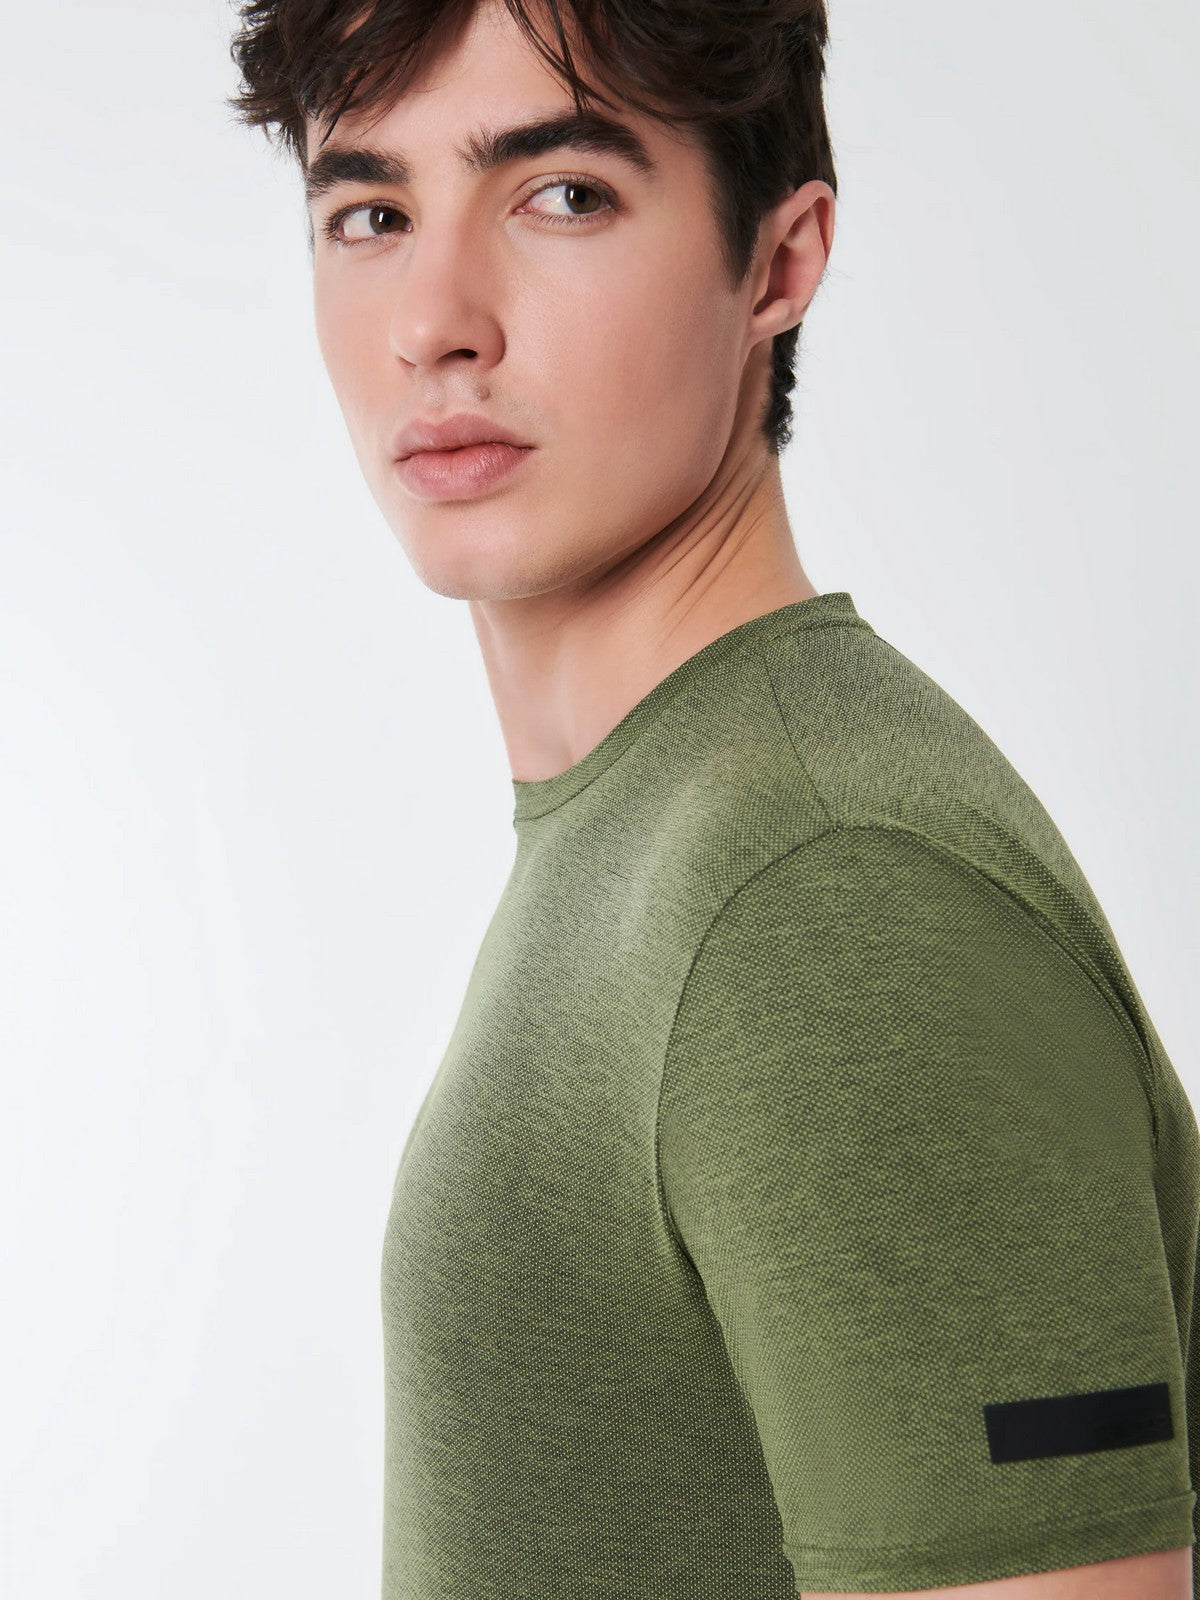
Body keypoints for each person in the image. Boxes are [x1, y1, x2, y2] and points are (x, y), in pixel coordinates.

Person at [225, 2, 1198, 1595]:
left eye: (564, 195)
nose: (436, 322)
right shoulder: (670, 825)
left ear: (780, 262)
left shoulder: (829, 893)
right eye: (372, 214)